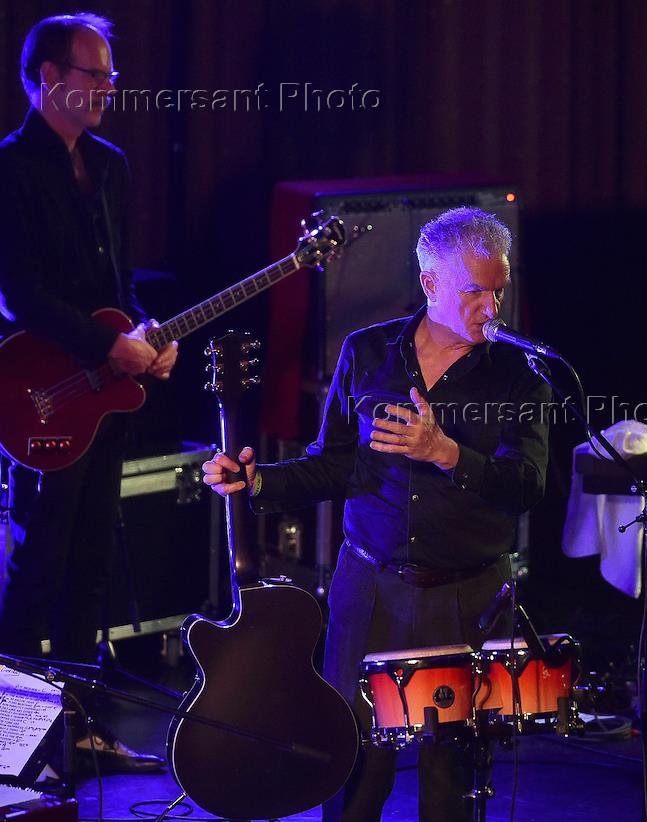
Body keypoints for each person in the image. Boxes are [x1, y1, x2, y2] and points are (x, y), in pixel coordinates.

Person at [203, 207, 551, 821]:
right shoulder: (366, 352)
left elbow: (527, 486)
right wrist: (258, 481)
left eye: (499, 290)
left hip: (467, 596)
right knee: (354, 766)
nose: (491, 308)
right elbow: (334, 464)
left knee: (452, 776)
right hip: (369, 591)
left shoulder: (522, 375)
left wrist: (446, 452)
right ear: (431, 283)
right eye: (475, 291)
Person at [0, 12, 176, 773]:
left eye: (111, 76)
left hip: (101, 390)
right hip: (41, 388)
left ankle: (79, 727)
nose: (109, 89)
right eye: (96, 75)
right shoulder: (4, 169)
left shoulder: (111, 166)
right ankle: (7, 738)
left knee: (91, 559)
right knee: (39, 561)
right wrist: (105, 346)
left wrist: (148, 336)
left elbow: (117, 285)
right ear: (49, 78)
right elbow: (18, 291)